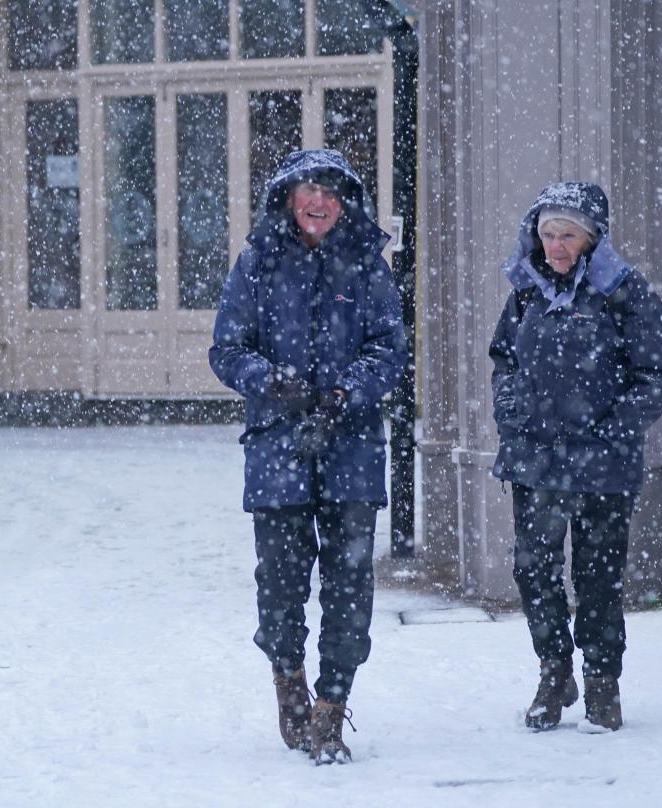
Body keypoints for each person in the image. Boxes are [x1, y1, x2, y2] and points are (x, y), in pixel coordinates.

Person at [209, 149, 407, 763]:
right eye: (306, 191)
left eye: (329, 191)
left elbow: (390, 350)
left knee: (349, 583)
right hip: (278, 449)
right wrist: (272, 382)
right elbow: (226, 349)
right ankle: (288, 682)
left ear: (344, 201)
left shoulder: (368, 268)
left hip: (350, 448)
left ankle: (331, 705)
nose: (317, 202)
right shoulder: (257, 265)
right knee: (281, 582)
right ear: (287, 201)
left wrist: (348, 391)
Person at [489, 182, 662, 733]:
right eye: (548, 233)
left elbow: (659, 374)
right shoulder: (526, 292)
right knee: (534, 571)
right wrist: (513, 411)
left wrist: (613, 429)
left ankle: (602, 682)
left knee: (598, 577)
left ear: (591, 238)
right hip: (536, 458)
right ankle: (554, 672)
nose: (555, 245)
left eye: (567, 234)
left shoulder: (624, 292)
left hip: (603, 462)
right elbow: (504, 360)